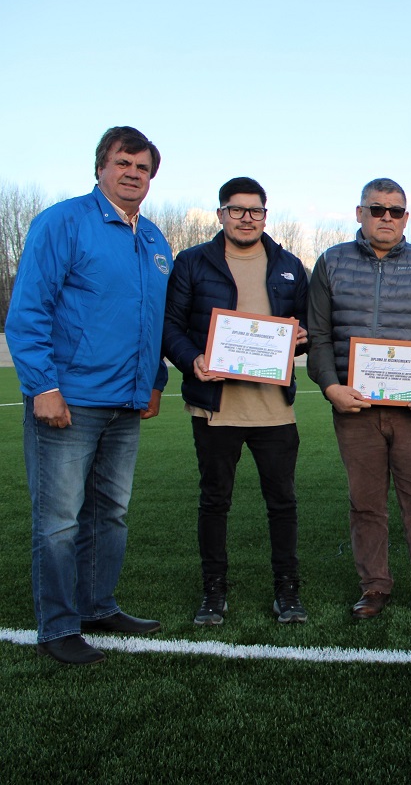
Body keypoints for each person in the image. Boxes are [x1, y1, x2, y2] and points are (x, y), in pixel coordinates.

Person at [7, 126, 170, 665]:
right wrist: (43, 386)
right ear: (100, 167)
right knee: (59, 521)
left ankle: (97, 605)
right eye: (123, 163)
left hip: (126, 403)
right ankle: (57, 627)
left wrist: (153, 381)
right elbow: (28, 310)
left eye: (142, 167)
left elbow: (152, 321)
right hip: (69, 401)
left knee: (110, 514)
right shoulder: (62, 222)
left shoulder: (154, 240)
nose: (132, 174)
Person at [307, 178, 411, 622]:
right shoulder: (331, 261)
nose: (386, 218)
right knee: (366, 503)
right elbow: (318, 335)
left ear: (406, 218)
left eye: (395, 211)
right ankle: (373, 586)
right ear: (360, 213)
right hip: (355, 407)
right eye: (377, 209)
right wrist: (331, 387)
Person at [162, 177, 310, 627]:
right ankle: (214, 591)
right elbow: (170, 327)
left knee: (283, 503)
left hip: (274, 409)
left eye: (255, 210)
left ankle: (287, 590)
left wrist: (301, 339)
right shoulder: (192, 262)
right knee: (214, 502)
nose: (247, 218)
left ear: (266, 214)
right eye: (237, 209)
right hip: (216, 406)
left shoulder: (289, 265)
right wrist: (193, 360)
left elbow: (304, 329)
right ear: (221, 214)